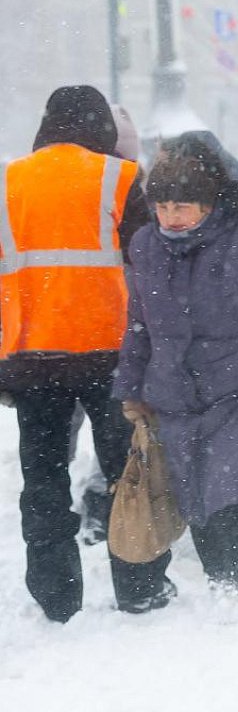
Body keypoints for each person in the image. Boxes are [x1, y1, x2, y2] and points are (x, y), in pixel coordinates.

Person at [114, 131, 238, 597]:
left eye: (182, 207)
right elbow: (139, 323)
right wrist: (131, 389)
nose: (171, 218)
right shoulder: (145, 246)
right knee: (196, 496)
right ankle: (218, 581)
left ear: (209, 205)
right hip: (175, 396)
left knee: (234, 489)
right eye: (162, 207)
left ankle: (234, 583)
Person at [0, 85, 164, 621]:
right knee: (126, 472)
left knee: (44, 476)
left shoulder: (9, 180)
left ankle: (55, 594)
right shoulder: (118, 178)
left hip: (32, 354)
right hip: (109, 353)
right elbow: (151, 271)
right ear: (102, 128)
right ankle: (138, 584)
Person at [77, 102, 149, 545]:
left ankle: (99, 508)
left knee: (101, 430)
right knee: (119, 432)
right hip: (116, 334)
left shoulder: (92, 185)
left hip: (72, 335)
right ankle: (110, 510)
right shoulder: (125, 187)